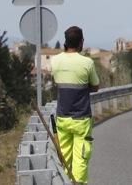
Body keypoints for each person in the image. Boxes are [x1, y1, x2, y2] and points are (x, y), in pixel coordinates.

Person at [50, 25, 100, 184]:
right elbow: (95, 86)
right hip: (81, 119)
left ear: (66, 42)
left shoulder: (55, 61)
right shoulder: (87, 63)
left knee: (63, 160)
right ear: (81, 42)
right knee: (81, 161)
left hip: (62, 118)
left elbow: (56, 81)